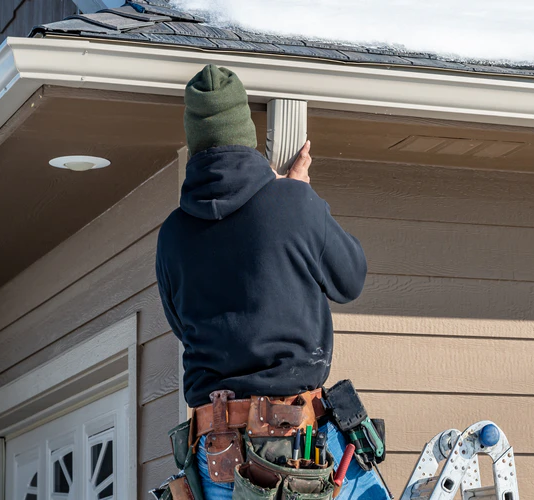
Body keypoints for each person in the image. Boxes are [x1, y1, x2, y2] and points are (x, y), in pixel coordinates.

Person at [155, 64, 386, 500]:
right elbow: (350, 279)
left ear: (195, 143)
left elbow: (182, 325)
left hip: (215, 450)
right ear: (245, 136)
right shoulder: (293, 203)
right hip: (294, 443)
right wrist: (298, 199)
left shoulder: (173, 235)